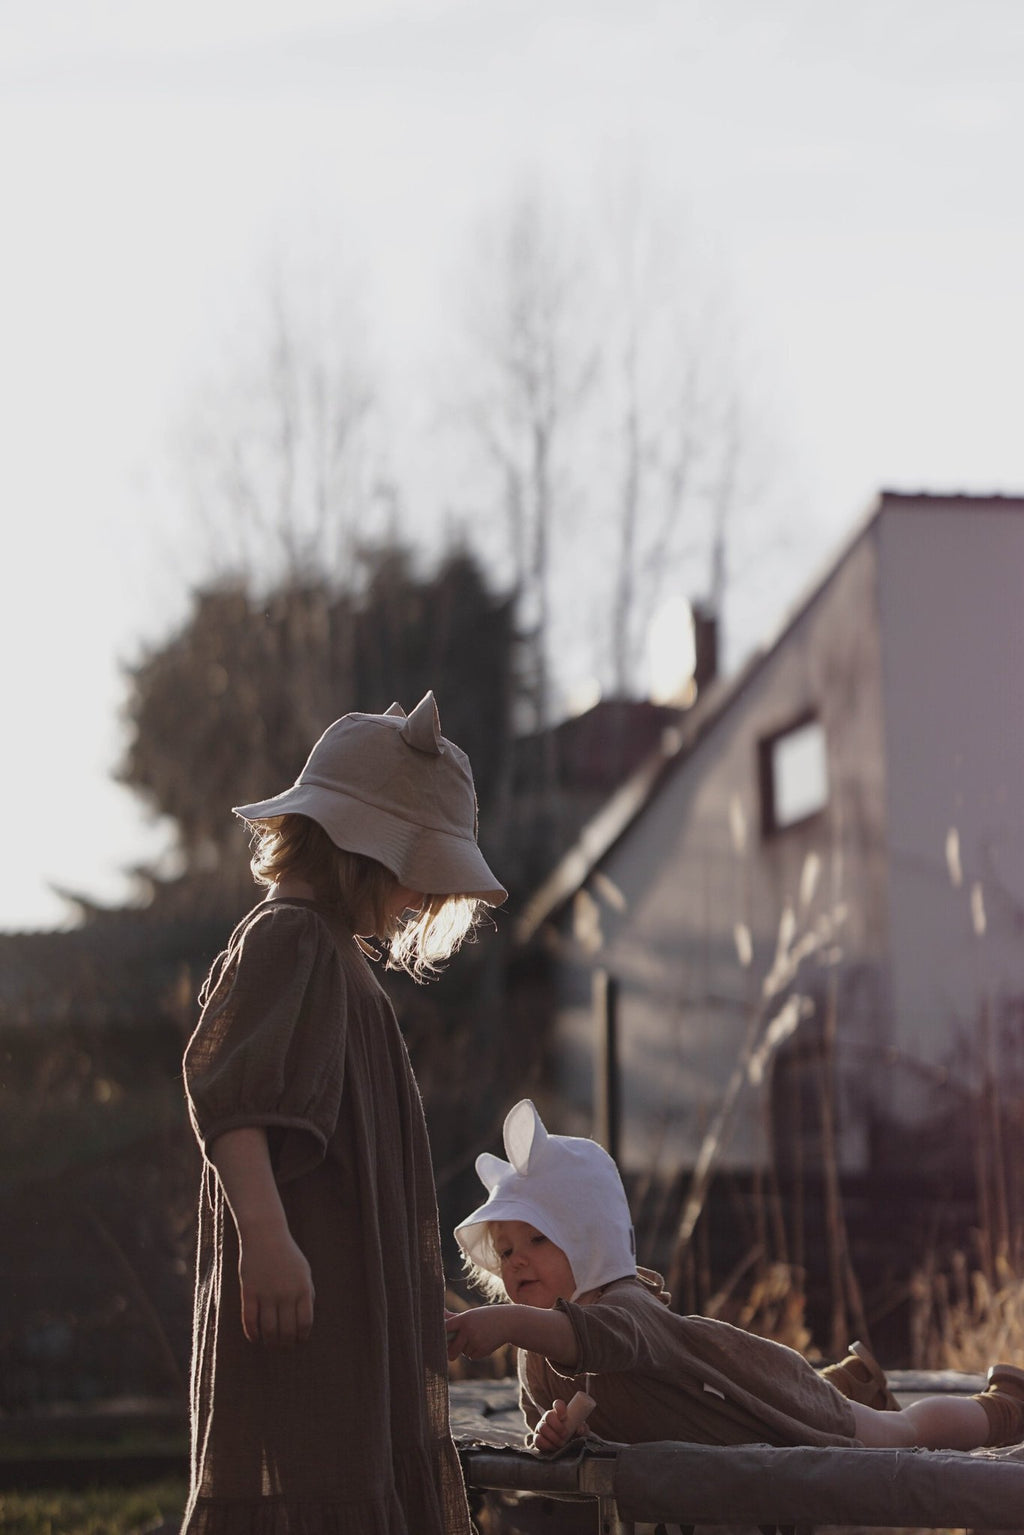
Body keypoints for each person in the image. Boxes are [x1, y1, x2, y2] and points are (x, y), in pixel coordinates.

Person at [181, 693, 506, 1535]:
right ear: (359, 848)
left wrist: (401, 1282)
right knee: (317, 1471)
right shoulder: (290, 937)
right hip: (305, 1313)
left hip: (350, 1312)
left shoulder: (333, 953)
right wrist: (266, 1234)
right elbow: (228, 1091)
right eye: (411, 875)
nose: (414, 901)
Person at [445, 1100, 1024, 1456]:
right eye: (505, 1250)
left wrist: (502, 1321)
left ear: (588, 1235)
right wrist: (553, 1436)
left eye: (539, 1239)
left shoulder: (623, 1308)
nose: (517, 1260)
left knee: (891, 1435)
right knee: (806, 1411)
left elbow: (592, 1341)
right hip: (728, 1419)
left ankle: (1001, 1409)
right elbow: (550, 1424)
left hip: (758, 1385)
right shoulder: (533, 1351)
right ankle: (849, 1379)